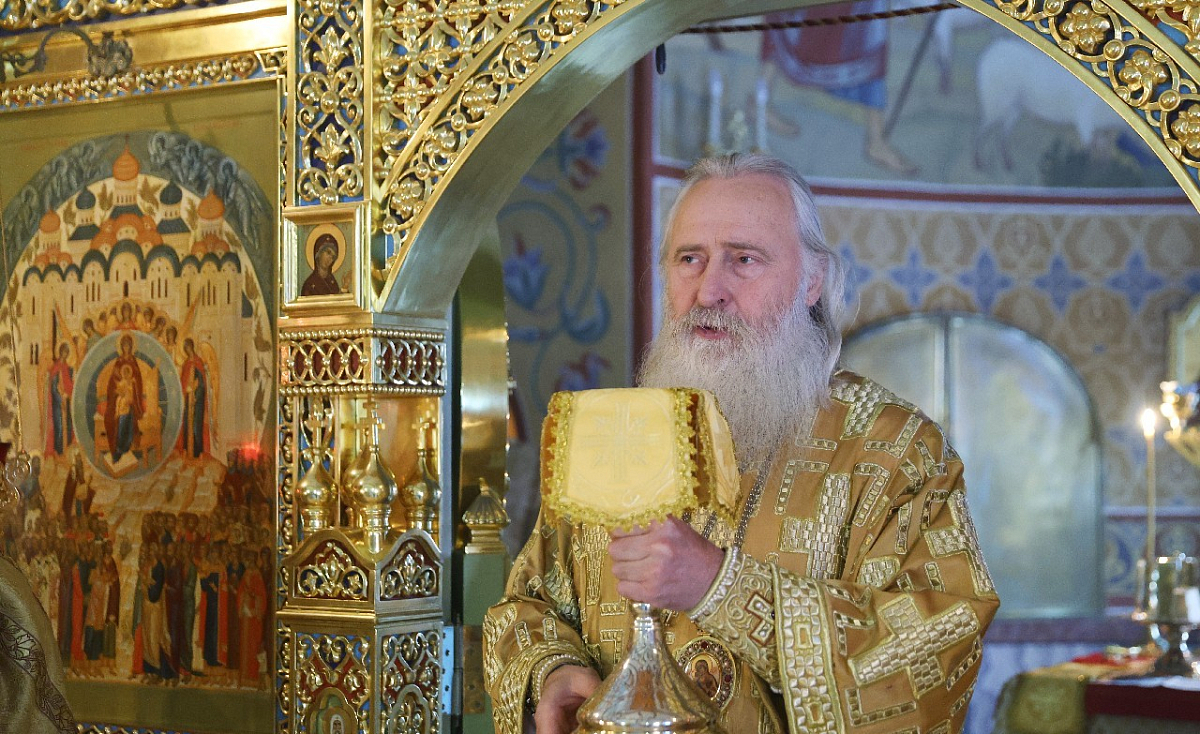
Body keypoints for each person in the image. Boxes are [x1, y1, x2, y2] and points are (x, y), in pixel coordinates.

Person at [483, 153, 999, 733]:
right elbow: (527, 603)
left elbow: (936, 651)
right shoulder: (611, 432)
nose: (709, 291)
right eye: (689, 259)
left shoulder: (896, 452)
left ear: (812, 281)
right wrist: (553, 670)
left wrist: (719, 587)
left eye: (744, 259)